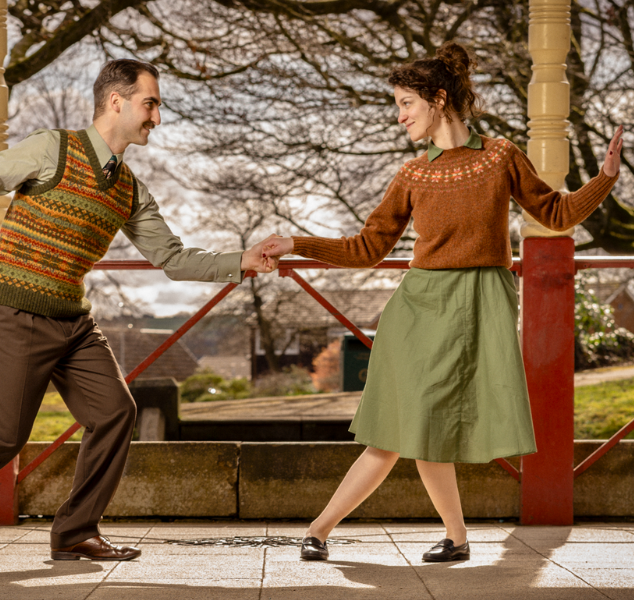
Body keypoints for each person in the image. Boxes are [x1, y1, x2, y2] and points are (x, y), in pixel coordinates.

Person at [0, 59, 276, 561]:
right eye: (150, 103)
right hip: (16, 311)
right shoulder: (54, 149)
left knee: (115, 412)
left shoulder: (130, 189)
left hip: (73, 321)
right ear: (117, 101)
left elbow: (173, 258)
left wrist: (244, 260)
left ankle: (74, 532)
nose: (157, 116)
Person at [262, 42, 623, 563]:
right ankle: (324, 531)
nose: (400, 117)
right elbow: (367, 248)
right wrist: (296, 244)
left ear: (438, 99)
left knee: (426, 430)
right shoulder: (413, 175)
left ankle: (445, 538)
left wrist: (605, 179)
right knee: (397, 430)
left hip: (477, 305)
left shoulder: (500, 155)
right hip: (417, 310)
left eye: (406, 104)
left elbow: (557, 213)